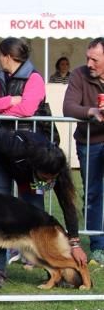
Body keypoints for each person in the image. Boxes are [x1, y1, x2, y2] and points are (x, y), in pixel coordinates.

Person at [0, 130, 87, 289]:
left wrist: (75, 242)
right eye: (46, 177)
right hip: (2, 166)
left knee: (37, 218)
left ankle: (53, 273)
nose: (49, 181)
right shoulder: (16, 146)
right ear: (37, 167)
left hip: (29, 179)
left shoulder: (57, 169)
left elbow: (68, 206)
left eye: (52, 178)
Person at [63, 37, 104, 264]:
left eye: (94, 59)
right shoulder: (79, 74)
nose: (89, 63)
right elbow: (68, 106)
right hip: (90, 142)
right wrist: (91, 111)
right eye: (87, 58)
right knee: (93, 194)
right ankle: (98, 246)